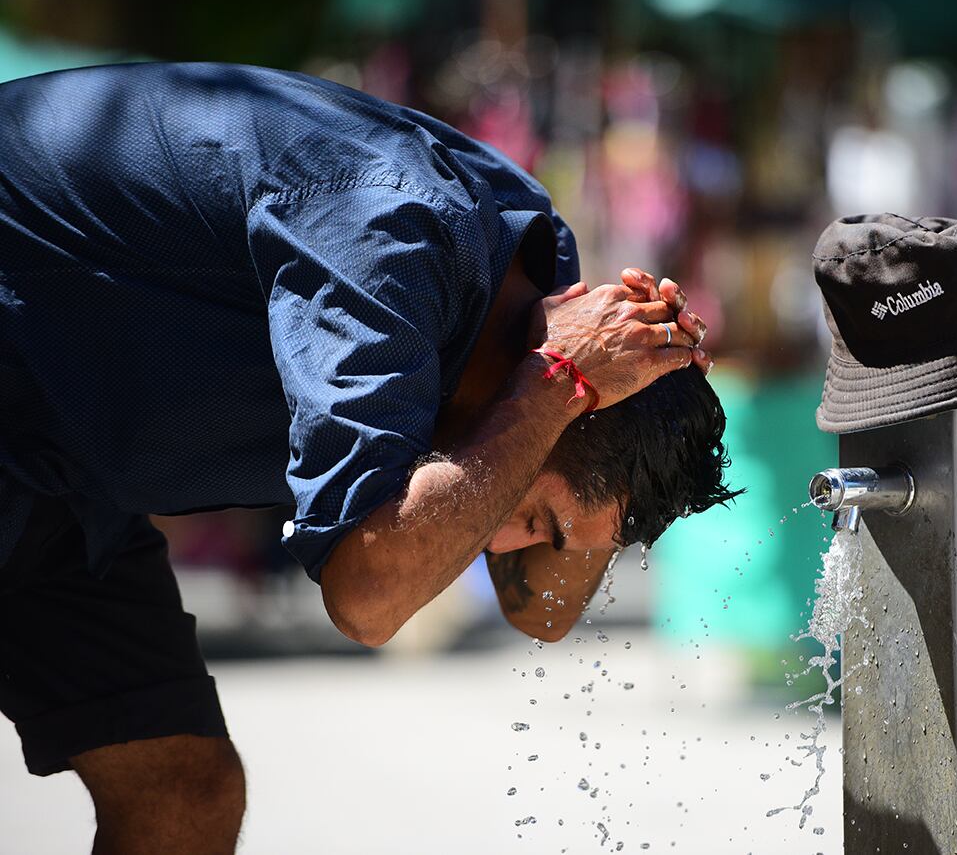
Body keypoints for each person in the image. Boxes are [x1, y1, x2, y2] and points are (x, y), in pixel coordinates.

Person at [0, 62, 739, 853]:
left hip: (56, 456)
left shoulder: (526, 288)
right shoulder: (390, 231)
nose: (495, 542)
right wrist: (559, 384)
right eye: (536, 518)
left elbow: (536, 614)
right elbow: (368, 596)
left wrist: (642, 394)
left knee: (184, 788)